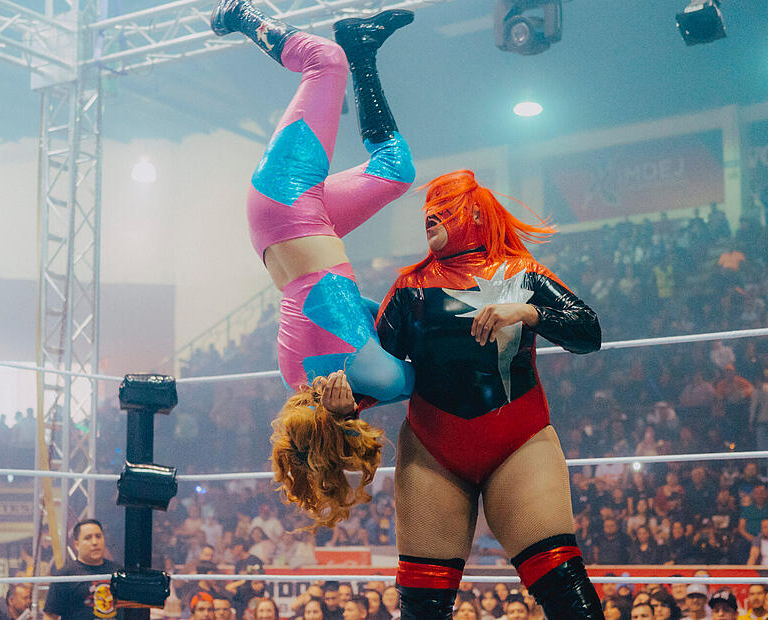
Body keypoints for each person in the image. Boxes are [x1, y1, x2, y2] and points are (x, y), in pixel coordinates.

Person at [208, 0, 417, 528]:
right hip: (295, 224)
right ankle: (363, 46)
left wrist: (361, 403)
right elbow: (353, 325)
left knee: (324, 61)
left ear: (351, 432)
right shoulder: (293, 379)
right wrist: (354, 404)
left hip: (287, 200)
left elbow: (414, 378)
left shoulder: (376, 377)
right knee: (395, 170)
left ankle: (240, 14)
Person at [364, 170, 603, 619]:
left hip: (519, 440)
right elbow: (379, 372)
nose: (430, 216)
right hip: (434, 448)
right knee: (423, 605)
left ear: (475, 213)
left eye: (444, 208)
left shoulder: (522, 272)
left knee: (563, 587)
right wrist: (346, 401)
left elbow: (588, 332)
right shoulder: (410, 287)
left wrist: (529, 312)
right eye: (427, 210)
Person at [44, 519, 122, 620]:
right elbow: (50, 616)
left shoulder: (118, 572)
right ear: (77, 544)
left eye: (98, 536)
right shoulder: (65, 576)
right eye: (88, 538)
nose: (95, 542)